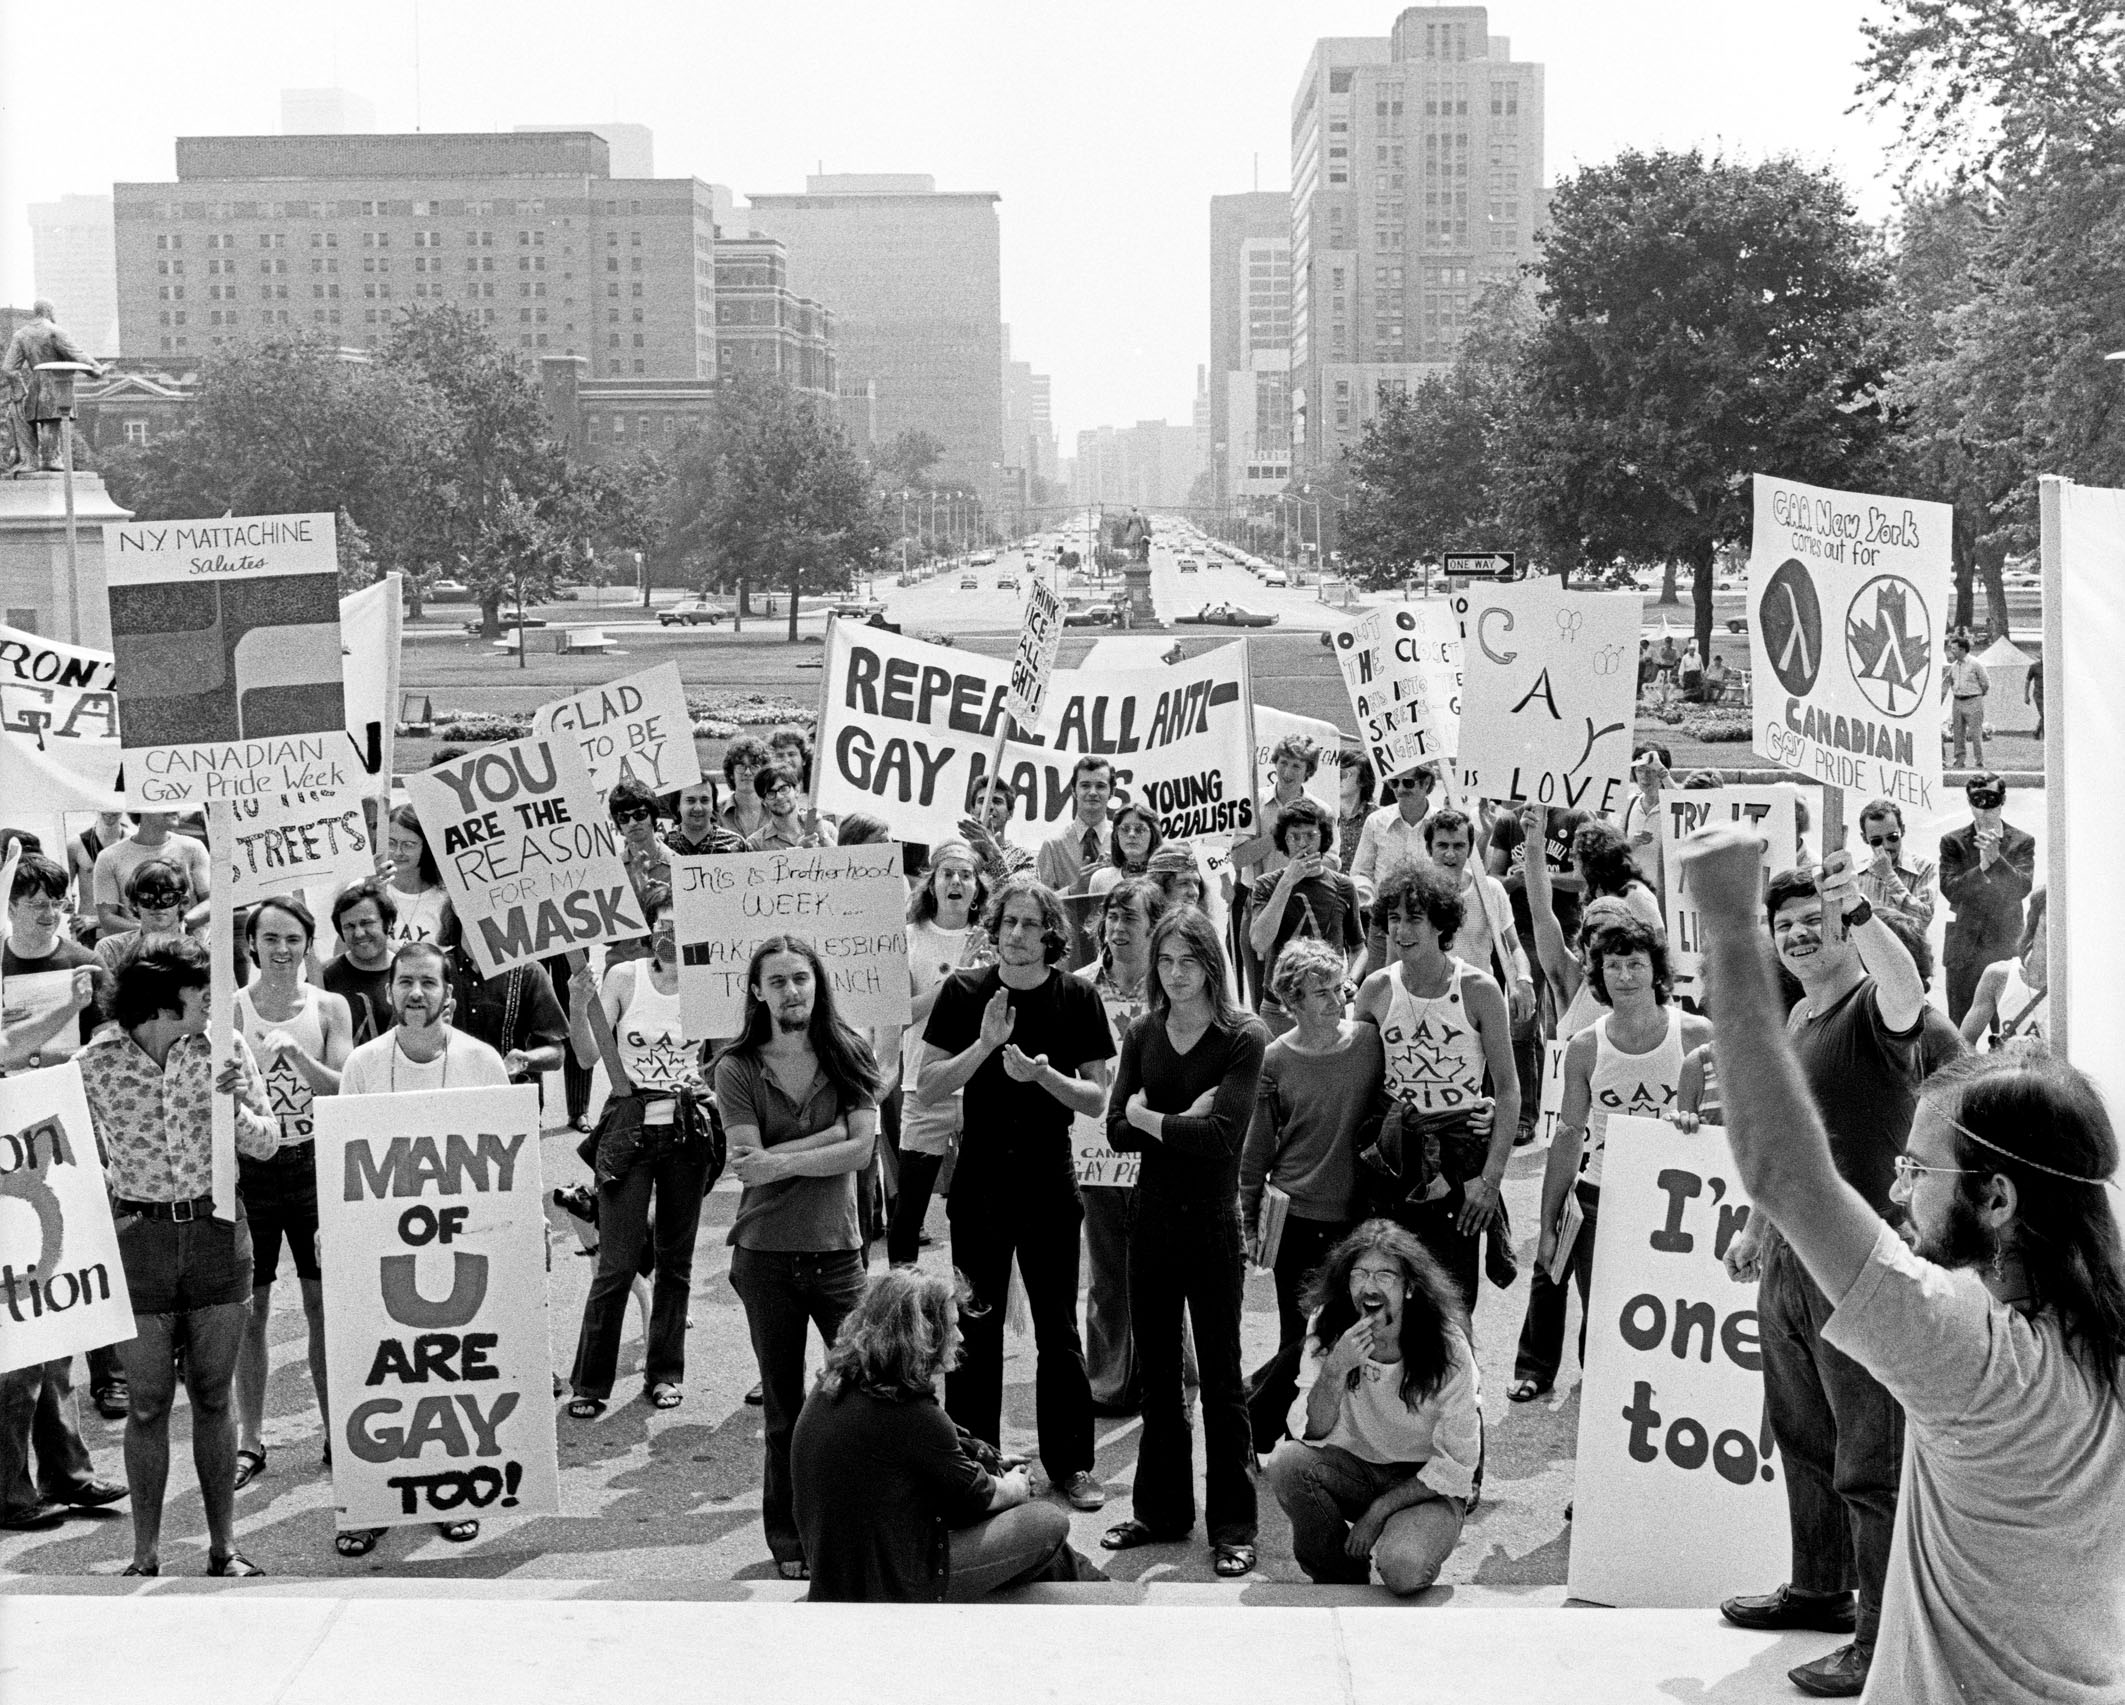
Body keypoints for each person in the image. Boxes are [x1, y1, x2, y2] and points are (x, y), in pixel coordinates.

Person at [1681, 824, 2125, 1702]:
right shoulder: (2096, 1337)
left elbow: (1782, 1172)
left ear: (1996, 1199)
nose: (1893, 1185)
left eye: (1917, 1169)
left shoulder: (1975, 1359)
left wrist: (1728, 924)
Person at [1715, 855, 1947, 1697]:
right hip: (1789, 1257)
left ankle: (1876, 1637)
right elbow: (1787, 1138)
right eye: (1787, 925)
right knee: (1801, 1434)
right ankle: (1818, 1586)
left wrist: (1858, 914)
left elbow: (1907, 990)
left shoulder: (1873, 1008)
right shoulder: (1799, 1019)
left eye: (1813, 918)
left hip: (1858, 1262)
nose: (1799, 933)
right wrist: (1755, 1224)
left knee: (1869, 1457)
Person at [77, 939, 280, 1577]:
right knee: (146, 1403)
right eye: (205, 990)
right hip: (139, 1244)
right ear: (167, 997)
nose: (218, 1002)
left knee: (215, 1397)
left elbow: (270, 1143)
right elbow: (58, 1155)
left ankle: (224, 1549)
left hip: (220, 1235)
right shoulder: (95, 1064)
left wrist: (236, 1106)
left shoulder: (225, 1048)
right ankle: (145, 1556)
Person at [918, 873, 1112, 1514]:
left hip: (1050, 1181)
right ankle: (976, 1462)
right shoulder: (964, 990)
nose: (1020, 935)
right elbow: (930, 1086)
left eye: (1032, 925)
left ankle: (1071, 1465)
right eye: (1009, 924)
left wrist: (1042, 1075)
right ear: (994, 930)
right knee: (975, 1328)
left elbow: (1097, 1096)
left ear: (1052, 935)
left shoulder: (1077, 997)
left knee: (1059, 1329)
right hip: (980, 1181)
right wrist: (986, 1045)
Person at [1100, 906, 1268, 1575]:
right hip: (1149, 1221)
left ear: (1211, 964)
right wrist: (1170, 1118)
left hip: (1211, 1226)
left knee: (1222, 1382)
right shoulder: (1142, 1030)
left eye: (1187, 961)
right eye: (1165, 960)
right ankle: (1161, 1510)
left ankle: (1233, 1525)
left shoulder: (1242, 1036)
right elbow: (1114, 1127)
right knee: (1159, 1380)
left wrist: (1149, 1116)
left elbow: (1222, 1136)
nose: (1174, 974)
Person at [332, 938, 510, 1556]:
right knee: (380, 1371)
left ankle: (456, 1493)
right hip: (382, 1248)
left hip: (461, 1245)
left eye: (428, 984)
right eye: (405, 982)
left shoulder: (483, 1061)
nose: (415, 994)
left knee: (452, 1372)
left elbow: (507, 1160)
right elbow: (344, 1160)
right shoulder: (361, 1065)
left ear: (449, 996)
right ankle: (373, 1501)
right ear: (389, 990)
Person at [716, 935, 881, 1580]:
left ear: (819, 984)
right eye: (778, 980)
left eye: (802, 978)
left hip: (838, 1255)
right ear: (757, 991)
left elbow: (862, 1152)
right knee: (785, 1411)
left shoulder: (850, 1052)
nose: (792, 990)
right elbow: (744, 1165)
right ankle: (790, 1541)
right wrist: (832, 1137)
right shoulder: (736, 1067)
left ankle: (863, 1527)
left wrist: (782, 1159)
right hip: (766, 1259)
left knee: (863, 1398)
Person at [791, 1268, 1107, 1602]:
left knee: (1044, 1551)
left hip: (845, 1569)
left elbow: (933, 1453)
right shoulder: (913, 1415)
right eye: (952, 1326)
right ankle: (1105, 1593)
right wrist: (1014, 1485)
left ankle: (1099, 1589)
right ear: (923, 1334)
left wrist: (988, 1458)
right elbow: (982, 1495)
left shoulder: (841, 1383)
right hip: (892, 1583)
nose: (959, 1336)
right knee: (1046, 1524)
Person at [1510, 913, 1710, 1403]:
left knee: (1660, 1301)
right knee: (1575, 1284)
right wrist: (1549, 1219)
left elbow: (1725, 1118)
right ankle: (1538, 1368)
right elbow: (1567, 1137)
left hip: (1671, 1196)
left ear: (1657, 971)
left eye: (1636, 964)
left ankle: (1645, 1386)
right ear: (1598, 975)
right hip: (1600, 1191)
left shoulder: (1695, 1034)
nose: (1624, 976)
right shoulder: (1584, 1047)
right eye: (1613, 966)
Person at [1263, 1220, 1481, 1593]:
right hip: (1357, 1471)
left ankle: (1401, 1538)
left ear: (1410, 1287)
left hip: (1426, 1484)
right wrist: (1335, 1369)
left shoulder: (1448, 1346)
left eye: (1385, 1275)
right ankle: (1340, 1578)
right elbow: (1309, 1432)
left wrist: (1379, 1512)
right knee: (1286, 1463)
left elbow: (1458, 1464)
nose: (1369, 1286)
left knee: (1403, 1570)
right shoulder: (1329, 1325)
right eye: (1359, 1274)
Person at [567, 883, 712, 1417]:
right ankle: (590, 1384)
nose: (671, 938)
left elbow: (733, 1049)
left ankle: (665, 1374)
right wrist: (578, 1003)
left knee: (676, 1260)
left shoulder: (711, 986)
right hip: (629, 1129)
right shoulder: (624, 977)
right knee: (617, 1261)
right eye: (663, 927)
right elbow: (585, 1057)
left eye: (682, 928)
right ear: (650, 929)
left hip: (686, 1132)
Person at [1241, 937, 1388, 1451]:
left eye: (1338, 987)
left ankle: (1307, 1425)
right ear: (1292, 1003)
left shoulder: (1370, 1042)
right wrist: (1248, 1214)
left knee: (1341, 1330)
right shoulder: (1274, 1060)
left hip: (1355, 1217)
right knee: (1296, 1337)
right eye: (1319, 992)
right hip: (1296, 1215)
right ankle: (1260, 1431)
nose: (1335, 1000)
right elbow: (1257, 1149)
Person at [1354, 865, 1520, 1314]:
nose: (1401, 930)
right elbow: (1358, 1081)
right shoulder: (1374, 990)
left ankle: (1461, 1384)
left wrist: (1490, 1180)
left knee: (1452, 1302)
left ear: (1441, 924)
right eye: (1393, 918)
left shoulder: (1479, 990)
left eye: (1414, 919)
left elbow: (1507, 1091)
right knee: (1387, 1294)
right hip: (1393, 1158)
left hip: (1458, 1162)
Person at [230, 897, 352, 1496]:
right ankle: (250, 1439)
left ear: (309, 944)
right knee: (249, 1312)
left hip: (312, 1166)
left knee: (322, 1308)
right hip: (252, 1170)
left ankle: (338, 1433)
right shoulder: (230, 1009)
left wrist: (296, 1056)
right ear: (251, 945)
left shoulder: (331, 1006)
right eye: (269, 938)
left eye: (293, 939)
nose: (281, 950)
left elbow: (343, 1089)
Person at [1074, 877, 1167, 1412]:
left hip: (1160, 1143)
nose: (1117, 927)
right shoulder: (1080, 987)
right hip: (1096, 1146)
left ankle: (1170, 1368)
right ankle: (1108, 1384)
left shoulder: (1173, 987)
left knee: (1163, 1265)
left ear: (1156, 928)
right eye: (1112, 915)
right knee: (1109, 1271)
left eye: (1130, 917)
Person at [885, 844, 990, 1266]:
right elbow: (898, 1016)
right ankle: (900, 1306)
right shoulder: (907, 939)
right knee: (909, 1207)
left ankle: (972, 1310)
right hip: (922, 1089)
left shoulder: (992, 939)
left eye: (965, 875)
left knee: (972, 1209)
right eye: (947, 873)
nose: (956, 882)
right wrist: (955, 982)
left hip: (982, 1089)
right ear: (932, 883)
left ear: (977, 889)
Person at [1246, 798, 1363, 1039]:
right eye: (1294, 837)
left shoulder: (1343, 886)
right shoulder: (1266, 885)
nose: (1303, 844)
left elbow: (1359, 948)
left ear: (1323, 838)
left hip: (1327, 1004)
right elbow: (1259, 942)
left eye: (1310, 835)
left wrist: (1350, 980)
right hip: (1279, 1007)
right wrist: (1287, 882)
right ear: (1284, 841)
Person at [1938, 772, 2036, 1026]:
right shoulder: (1953, 842)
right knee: (1959, 1027)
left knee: (2006, 1024)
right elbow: (1950, 889)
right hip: (1964, 948)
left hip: (2004, 945)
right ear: (1969, 802)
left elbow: (2021, 888)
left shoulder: (2021, 842)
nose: (1984, 809)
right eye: (1976, 800)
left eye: (1991, 800)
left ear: (2002, 800)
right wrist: (1981, 868)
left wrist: (1996, 862)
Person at [1424, 808, 1534, 1030]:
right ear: (1429, 848)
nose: (1450, 854)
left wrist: (1522, 980)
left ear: (1470, 848)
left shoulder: (1490, 889)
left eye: (1459, 846)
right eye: (1442, 846)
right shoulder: (1417, 892)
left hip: (1479, 1000)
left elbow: (1514, 947)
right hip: (1429, 1000)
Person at [2, 851, 99, 1069]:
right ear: (10, 909)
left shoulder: (86, 961)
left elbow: (108, 1040)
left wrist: (38, 1060)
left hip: (72, 1080)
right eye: (38, 904)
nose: (51, 913)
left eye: (57, 904)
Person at [1034, 756, 1115, 971]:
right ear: (1073, 791)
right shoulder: (1053, 845)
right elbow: (1040, 906)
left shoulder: (1124, 840)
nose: (1092, 792)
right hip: (1068, 953)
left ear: (1112, 792)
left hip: (1116, 950)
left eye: (1100, 785)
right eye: (1085, 785)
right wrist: (1073, 890)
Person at [3, 300, 102, 472]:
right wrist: (96, 370)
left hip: (34, 382)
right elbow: (77, 354)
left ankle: (32, 461)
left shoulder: (21, 334)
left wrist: (19, 388)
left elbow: (8, 368)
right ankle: (50, 459)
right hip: (56, 381)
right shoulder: (55, 331)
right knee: (51, 420)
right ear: (49, 311)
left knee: (38, 419)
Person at [90, 812, 211, 940]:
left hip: (191, 948)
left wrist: (180, 926)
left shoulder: (193, 847)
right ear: (141, 809)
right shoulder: (109, 857)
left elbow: (213, 900)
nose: (175, 809)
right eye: (164, 805)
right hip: (137, 951)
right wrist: (151, 931)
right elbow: (107, 918)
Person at [1959, 887, 2048, 1052]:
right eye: (2047, 928)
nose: (2053, 938)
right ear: (2035, 921)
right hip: (2008, 1074)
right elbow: (1964, 1041)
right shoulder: (1999, 975)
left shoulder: (2076, 988)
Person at [1349, 762, 1439, 912]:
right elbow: (1360, 872)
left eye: (1408, 783)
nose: (1400, 789)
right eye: (1394, 782)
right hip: (1383, 919)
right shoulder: (1376, 822)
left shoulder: (1442, 823)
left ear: (1426, 783)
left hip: (1429, 920)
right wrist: (1367, 895)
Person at [319, 880, 398, 1046]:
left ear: (388, 923)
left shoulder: (410, 971)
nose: (359, 933)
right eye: (349, 926)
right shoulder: (325, 977)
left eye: (367, 923)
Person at [1852, 800, 1936, 934]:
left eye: (1892, 837)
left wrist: (1888, 876)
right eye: (1876, 841)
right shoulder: (1856, 874)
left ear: (1902, 830)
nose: (1886, 846)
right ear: (1864, 839)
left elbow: (1923, 920)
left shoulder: (1924, 868)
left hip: (1907, 951)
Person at [1571, 818, 1664, 932]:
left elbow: (1659, 944)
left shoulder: (1636, 896)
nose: (1572, 858)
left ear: (1594, 860)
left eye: (1577, 854)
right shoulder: (1594, 892)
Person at [382, 805, 452, 945]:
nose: (398, 852)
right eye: (391, 843)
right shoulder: (367, 890)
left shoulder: (446, 900)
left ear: (426, 847)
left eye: (408, 844)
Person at [608, 778, 674, 904]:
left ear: (653, 816)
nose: (632, 823)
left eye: (640, 814)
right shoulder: (612, 870)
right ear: (618, 825)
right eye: (624, 818)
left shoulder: (679, 866)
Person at [746, 764, 836, 852]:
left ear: (797, 790)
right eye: (770, 793)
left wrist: (822, 837)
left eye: (784, 789)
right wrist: (798, 851)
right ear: (763, 800)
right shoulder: (755, 844)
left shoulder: (827, 828)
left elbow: (845, 861)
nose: (779, 797)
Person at [1087, 801, 1161, 900]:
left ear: (1153, 835)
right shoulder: (1100, 879)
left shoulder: (1165, 878)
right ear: (1116, 835)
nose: (1131, 834)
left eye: (1140, 829)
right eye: (1125, 829)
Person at [69, 810, 129, 931]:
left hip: (125, 928)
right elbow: (63, 891)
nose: (110, 811)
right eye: (104, 806)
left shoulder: (135, 844)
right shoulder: (76, 845)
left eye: (114, 806)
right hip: (88, 927)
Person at [1941, 632, 1989, 769]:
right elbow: (1950, 682)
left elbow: (1985, 682)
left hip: (1973, 700)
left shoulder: (1975, 664)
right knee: (1958, 732)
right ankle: (1959, 761)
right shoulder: (1954, 666)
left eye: (1954, 648)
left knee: (1975, 732)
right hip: (1957, 701)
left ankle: (1979, 762)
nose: (1952, 651)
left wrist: (1978, 695)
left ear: (1962, 649)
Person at [666, 778, 745, 857]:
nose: (698, 808)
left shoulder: (736, 844)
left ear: (713, 805)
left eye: (704, 800)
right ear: (678, 806)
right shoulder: (665, 845)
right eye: (690, 801)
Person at [720, 736, 773, 844]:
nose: (748, 772)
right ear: (731, 773)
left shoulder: (776, 811)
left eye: (754, 766)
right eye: (741, 766)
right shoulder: (715, 813)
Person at [1334, 752, 1375, 876]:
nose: (1338, 778)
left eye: (1344, 774)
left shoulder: (1377, 818)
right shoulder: (1324, 815)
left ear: (1362, 780)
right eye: (1335, 773)